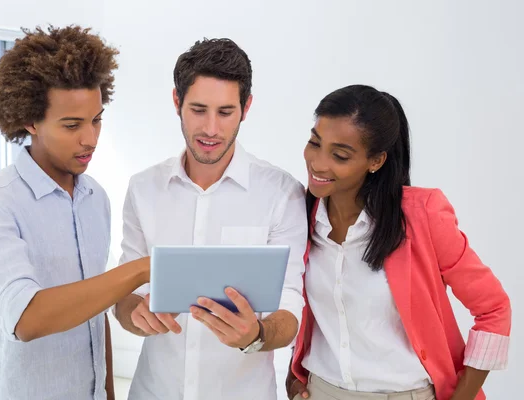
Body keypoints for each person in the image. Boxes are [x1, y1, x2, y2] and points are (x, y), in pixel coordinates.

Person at [0, 25, 150, 400]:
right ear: (31, 120)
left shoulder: (96, 198)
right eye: (72, 125)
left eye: (96, 119)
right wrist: (141, 269)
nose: (90, 138)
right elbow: (27, 319)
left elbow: (94, 315)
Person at [286, 84, 511, 400]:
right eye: (314, 143)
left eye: (339, 155)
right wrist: (293, 377)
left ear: (375, 160)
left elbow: (494, 308)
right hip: (321, 390)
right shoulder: (299, 212)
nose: (319, 163)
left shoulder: (422, 215)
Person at [113, 38, 307, 399]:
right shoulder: (143, 189)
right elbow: (125, 297)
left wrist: (256, 336)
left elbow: (289, 305)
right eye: (198, 109)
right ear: (177, 102)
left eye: (225, 112)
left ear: (246, 107)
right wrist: (135, 316)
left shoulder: (282, 193)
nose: (211, 129)